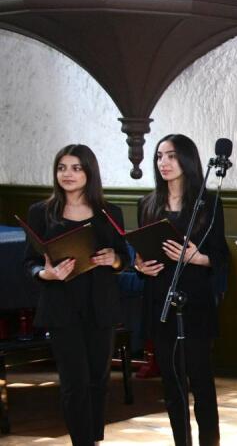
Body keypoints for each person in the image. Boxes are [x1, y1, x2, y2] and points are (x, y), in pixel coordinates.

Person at [22, 144, 127, 446]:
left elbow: (123, 258)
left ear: (89, 172)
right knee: (74, 382)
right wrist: (46, 274)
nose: (67, 174)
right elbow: (30, 263)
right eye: (62, 168)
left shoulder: (110, 212)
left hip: (100, 307)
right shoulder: (41, 212)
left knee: (98, 380)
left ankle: (93, 439)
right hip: (61, 307)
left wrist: (114, 260)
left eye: (76, 168)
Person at [133, 134, 227, 446]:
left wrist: (197, 257)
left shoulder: (209, 203)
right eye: (159, 156)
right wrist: (139, 266)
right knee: (171, 386)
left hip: (195, 301)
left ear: (187, 160)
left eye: (171, 156)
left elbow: (221, 257)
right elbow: (141, 253)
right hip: (160, 297)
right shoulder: (146, 204)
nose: (164, 163)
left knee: (201, 383)